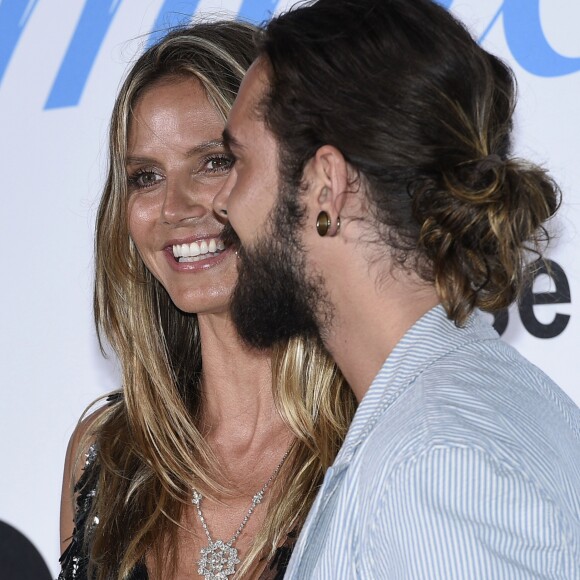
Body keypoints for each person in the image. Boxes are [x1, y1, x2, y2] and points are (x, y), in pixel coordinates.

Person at [214, 0, 580, 577]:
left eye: (237, 162)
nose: (220, 200)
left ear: (326, 187)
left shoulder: (434, 463)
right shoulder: (449, 421)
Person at [57, 21, 356, 580]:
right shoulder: (108, 454)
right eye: (145, 177)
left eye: (215, 162)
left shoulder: (374, 438)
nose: (174, 206)